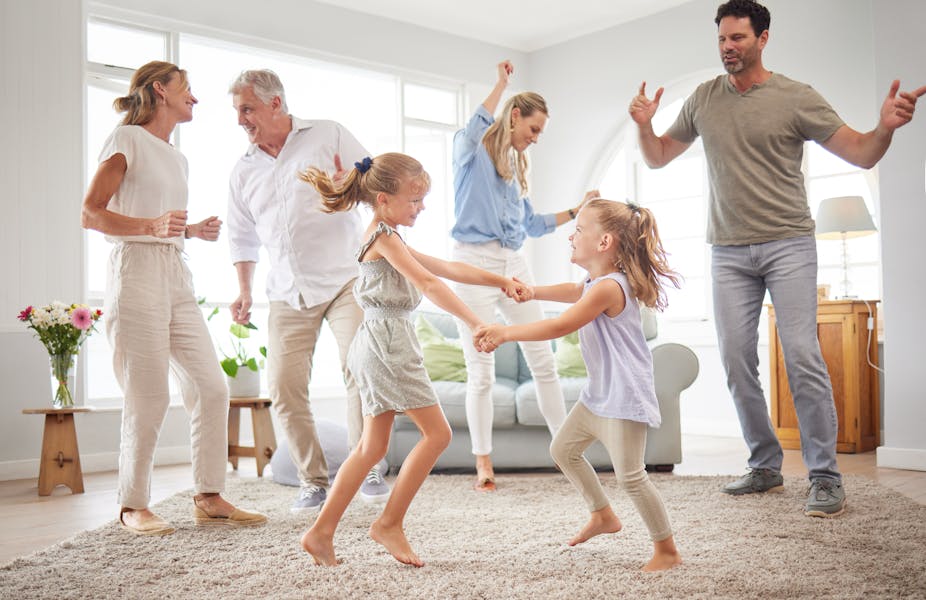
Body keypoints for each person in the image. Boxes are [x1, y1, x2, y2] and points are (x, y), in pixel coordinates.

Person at [629, 0, 926, 517]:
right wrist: (643, 125)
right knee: (736, 359)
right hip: (727, 251)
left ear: (762, 38)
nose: (727, 47)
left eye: (738, 38)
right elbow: (656, 158)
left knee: (801, 356)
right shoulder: (703, 99)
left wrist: (885, 127)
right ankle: (765, 465)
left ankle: (825, 475)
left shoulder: (795, 97)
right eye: (722, 38)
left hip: (788, 243)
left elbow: (860, 152)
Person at [299, 153, 531, 567]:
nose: (421, 208)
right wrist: (478, 323)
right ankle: (388, 523)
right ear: (385, 199)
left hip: (378, 341)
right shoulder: (383, 238)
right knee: (437, 435)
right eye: (414, 200)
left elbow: (446, 266)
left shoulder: (388, 235)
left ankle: (320, 532)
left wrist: (500, 280)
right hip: (388, 345)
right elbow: (428, 281)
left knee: (371, 448)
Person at [81, 61, 267, 535]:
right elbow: (91, 213)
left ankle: (208, 495)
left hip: (175, 273)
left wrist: (189, 230)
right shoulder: (126, 140)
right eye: (188, 88)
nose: (196, 98)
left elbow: (155, 215)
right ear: (160, 90)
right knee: (148, 396)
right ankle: (132, 504)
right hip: (136, 270)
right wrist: (153, 227)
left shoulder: (176, 155)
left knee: (211, 385)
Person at [475, 199, 683, 572]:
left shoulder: (610, 288)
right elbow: (574, 293)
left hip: (624, 395)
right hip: (599, 394)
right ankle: (603, 514)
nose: (571, 236)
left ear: (604, 243)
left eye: (579, 230)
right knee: (563, 450)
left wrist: (506, 332)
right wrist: (533, 292)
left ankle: (666, 550)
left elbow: (560, 326)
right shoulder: (593, 283)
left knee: (632, 478)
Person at [226, 69, 390, 512]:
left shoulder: (327, 134)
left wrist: (349, 186)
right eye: (238, 111)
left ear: (275, 103)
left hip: (344, 279)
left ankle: (370, 466)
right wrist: (243, 291)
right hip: (286, 291)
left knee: (360, 369)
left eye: (247, 109)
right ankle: (312, 480)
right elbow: (242, 238)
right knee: (283, 385)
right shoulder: (243, 171)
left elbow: (377, 182)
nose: (241, 119)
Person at [452, 60, 599, 491]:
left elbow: (532, 224)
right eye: (533, 130)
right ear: (514, 117)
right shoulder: (472, 152)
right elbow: (473, 127)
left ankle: (566, 452)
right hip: (473, 264)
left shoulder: (516, 167)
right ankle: (483, 463)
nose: (535, 140)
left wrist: (579, 209)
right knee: (480, 369)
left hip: (514, 262)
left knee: (544, 362)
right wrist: (500, 85)